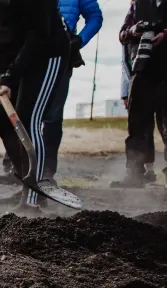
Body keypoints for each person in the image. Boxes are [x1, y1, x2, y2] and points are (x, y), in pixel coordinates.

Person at [0, 0, 70, 211]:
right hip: (16, 56)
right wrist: (5, 75)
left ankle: (34, 195)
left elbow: (38, 35)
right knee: (3, 122)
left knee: (28, 120)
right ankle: (27, 182)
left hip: (47, 52)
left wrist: (12, 74)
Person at [113, 0, 167, 190]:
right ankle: (134, 174)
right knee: (137, 124)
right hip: (141, 71)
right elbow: (122, 34)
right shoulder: (137, 3)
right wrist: (134, 31)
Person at [40, 0, 102, 183]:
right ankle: (20, 167)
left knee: (52, 116)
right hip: (29, 54)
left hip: (62, 57)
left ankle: (46, 174)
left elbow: (95, 17)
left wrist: (79, 40)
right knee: (26, 113)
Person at [120, 27, 163, 184]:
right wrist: (125, 91)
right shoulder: (132, 22)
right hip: (137, 81)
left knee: (164, 125)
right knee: (141, 127)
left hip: (163, 79)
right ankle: (139, 171)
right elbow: (125, 62)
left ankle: (159, 171)